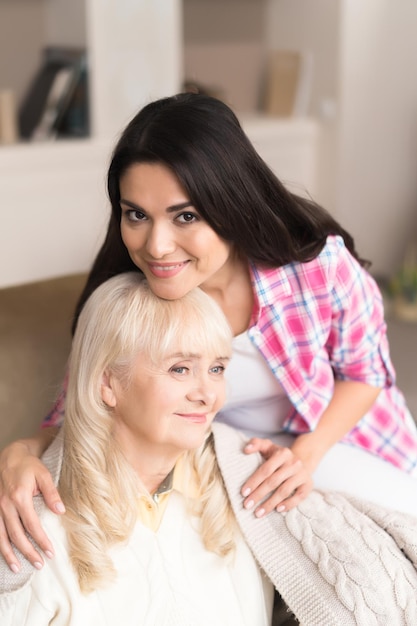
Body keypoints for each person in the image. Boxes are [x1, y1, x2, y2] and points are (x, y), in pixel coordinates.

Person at [1, 92, 417, 573]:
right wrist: (18, 451)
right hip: (225, 460)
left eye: (186, 216)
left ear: (232, 203)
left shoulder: (317, 268)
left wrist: (305, 454)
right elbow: (78, 410)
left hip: (334, 438)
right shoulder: (132, 301)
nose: (156, 246)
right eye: (136, 214)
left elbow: (365, 373)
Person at [1, 272, 417, 626]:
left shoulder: (246, 486)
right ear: (108, 383)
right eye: (180, 368)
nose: (208, 393)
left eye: (217, 368)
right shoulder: (32, 526)